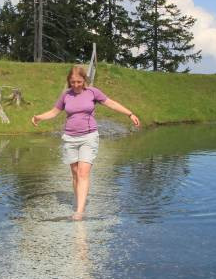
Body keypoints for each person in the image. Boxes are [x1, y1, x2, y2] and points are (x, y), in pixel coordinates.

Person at [31, 65, 140, 219]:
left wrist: (130, 114)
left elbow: (111, 103)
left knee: (83, 172)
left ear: (84, 80)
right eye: (73, 82)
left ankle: (80, 211)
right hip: (70, 139)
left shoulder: (92, 92)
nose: (76, 85)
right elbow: (54, 112)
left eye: (79, 82)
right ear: (69, 81)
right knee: (75, 174)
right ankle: (79, 202)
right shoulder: (66, 95)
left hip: (89, 137)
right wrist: (39, 117)